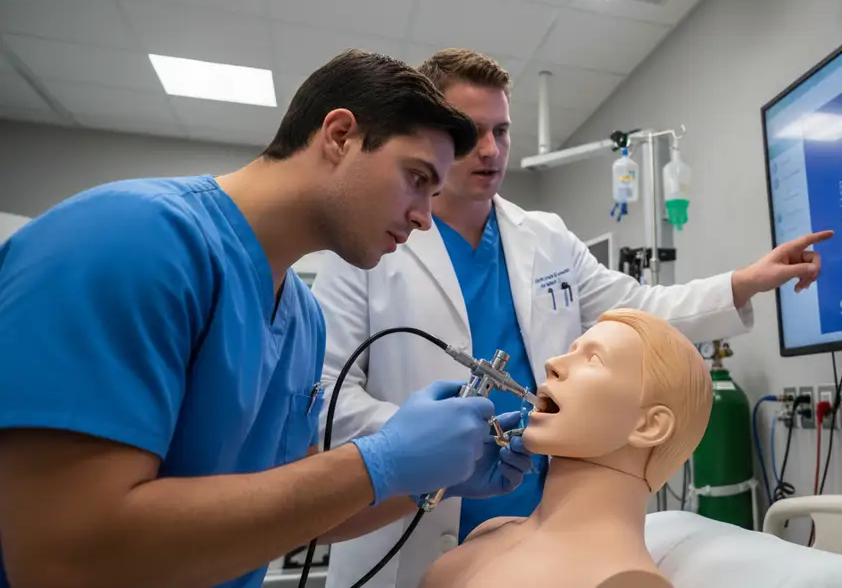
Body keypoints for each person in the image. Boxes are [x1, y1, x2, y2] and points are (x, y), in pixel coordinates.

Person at [0, 50, 533, 588]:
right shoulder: (128, 240)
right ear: (340, 135)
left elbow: (293, 507)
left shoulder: (303, 320)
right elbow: (63, 556)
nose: (423, 217)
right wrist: (381, 459)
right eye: (416, 177)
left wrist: (435, 477)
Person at [313, 48, 833, 587]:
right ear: (434, 134)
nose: (491, 150)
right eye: (473, 131)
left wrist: (744, 282)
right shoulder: (371, 241)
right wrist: (418, 443)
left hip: (535, 520)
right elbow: (323, 397)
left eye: (503, 131)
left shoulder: (546, 237)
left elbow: (639, 314)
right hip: (404, 534)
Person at [419, 308, 712, 588]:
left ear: (650, 426)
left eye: (594, 359)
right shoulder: (490, 532)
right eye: (571, 350)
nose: (553, 364)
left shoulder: (625, 581)